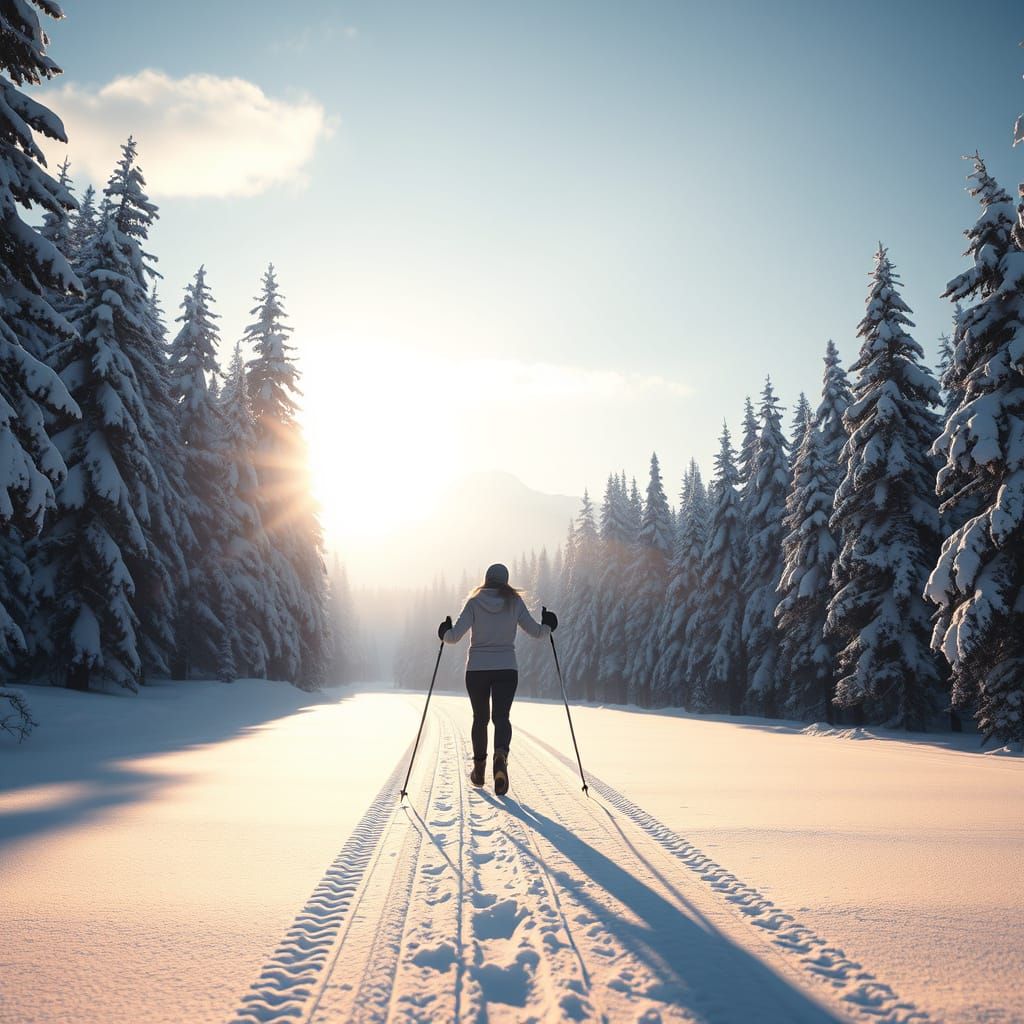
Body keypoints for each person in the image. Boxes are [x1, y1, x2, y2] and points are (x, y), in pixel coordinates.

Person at [438, 563, 558, 795]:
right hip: (506, 668)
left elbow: (452, 638)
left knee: (480, 718)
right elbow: (537, 632)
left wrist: (444, 630)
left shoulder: (474, 602)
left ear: (486, 579)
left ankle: (479, 769)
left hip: (477, 670)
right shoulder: (514, 602)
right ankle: (500, 756)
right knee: (501, 717)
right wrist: (549, 624)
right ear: (505, 581)